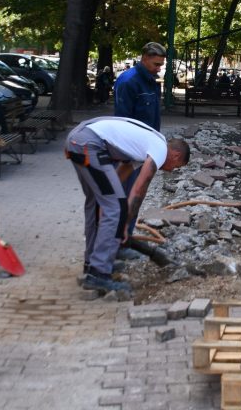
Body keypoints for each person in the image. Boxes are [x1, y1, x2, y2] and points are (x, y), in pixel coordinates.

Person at [66, 116, 190, 294]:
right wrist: (123, 224)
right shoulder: (160, 150)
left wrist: (112, 213)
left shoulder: (145, 145)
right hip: (89, 143)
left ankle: (91, 264)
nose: (171, 170)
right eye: (176, 166)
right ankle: (99, 274)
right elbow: (138, 190)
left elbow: (119, 176)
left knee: (100, 204)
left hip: (78, 138)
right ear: (176, 155)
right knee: (116, 207)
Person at [113, 42, 166, 130]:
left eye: (160, 65)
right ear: (145, 58)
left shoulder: (150, 79)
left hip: (149, 137)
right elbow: (122, 119)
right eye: (156, 64)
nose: (159, 69)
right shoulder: (128, 81)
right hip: (135, 140)